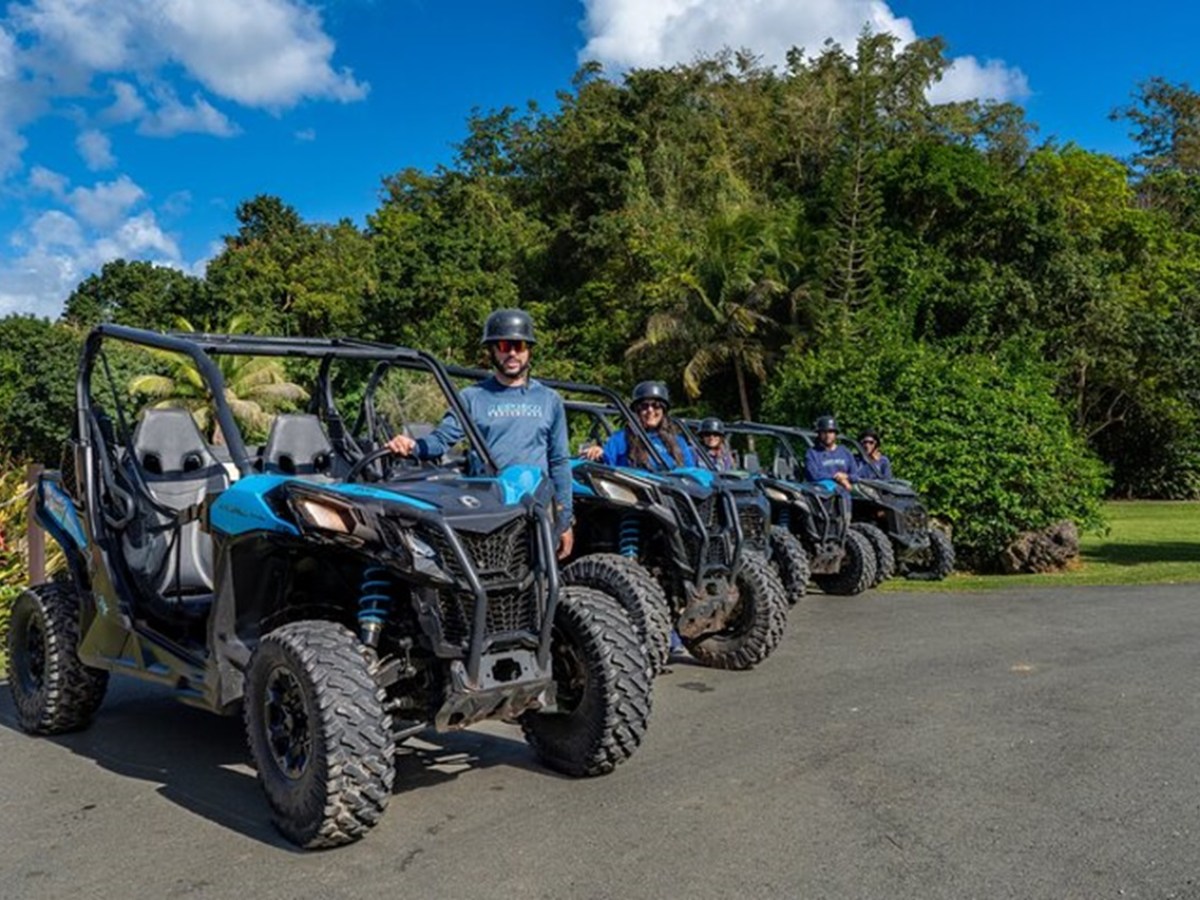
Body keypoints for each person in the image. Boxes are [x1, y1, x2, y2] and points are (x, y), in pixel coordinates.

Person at [386, 308, 574, 558]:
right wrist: (413, 446)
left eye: (519, 345)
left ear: (529, 350)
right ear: (492, 350)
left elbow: (560, 461)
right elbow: (441, 441)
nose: (512, 353)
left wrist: (565, 519)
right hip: (489, 512)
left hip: (536, 508)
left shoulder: (549, 400)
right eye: (505, 345)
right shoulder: (472, 398)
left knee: (541, 582)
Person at [580, 381, 696, 470]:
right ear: (637, 411)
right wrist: (598, 453)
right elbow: (606, 458)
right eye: (644, 406)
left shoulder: (678, 442)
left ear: (663, 411)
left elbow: (690, 472)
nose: (650, 410)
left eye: (656, 406)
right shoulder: (621, 438)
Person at [804, 415, 858, 490]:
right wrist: (836, 477)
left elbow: (855, 476)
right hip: (823, 498)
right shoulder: (812, 453)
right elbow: (813, 475)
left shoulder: (845, 452)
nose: (827, 435)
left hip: (845, 497)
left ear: (836, 434)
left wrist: (846, 477)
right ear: (819, 433)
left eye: (831, 432)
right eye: (824, 432)